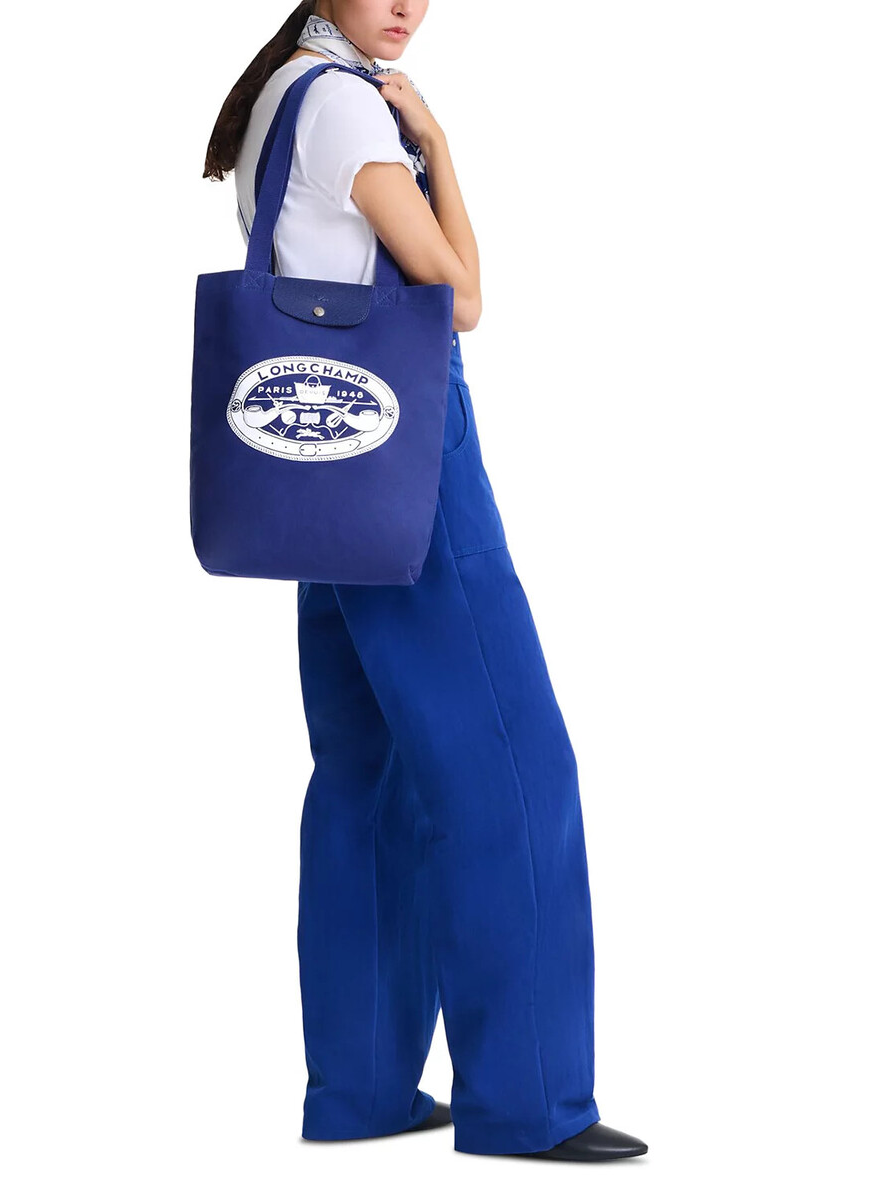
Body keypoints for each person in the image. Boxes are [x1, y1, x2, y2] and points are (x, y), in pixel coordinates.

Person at [203, 1, 647, 1162]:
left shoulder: (278, 94)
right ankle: (530, 1103)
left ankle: (360, 1092)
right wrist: (439, 147)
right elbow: (459, 299)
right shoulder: (350, 107)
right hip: (405, 456)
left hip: (321, 468)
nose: (409, 4)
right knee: (514, 762)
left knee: (370, 774)